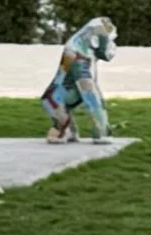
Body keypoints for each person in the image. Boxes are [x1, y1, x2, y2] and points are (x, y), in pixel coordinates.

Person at [42, 15, 118, 143]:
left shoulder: (77, 47)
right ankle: (97, 129)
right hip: (62, 94)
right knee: (86, 91)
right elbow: (89, 91)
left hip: (61, 92)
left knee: (51, 99)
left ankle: (70, 129)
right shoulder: (80, 53)